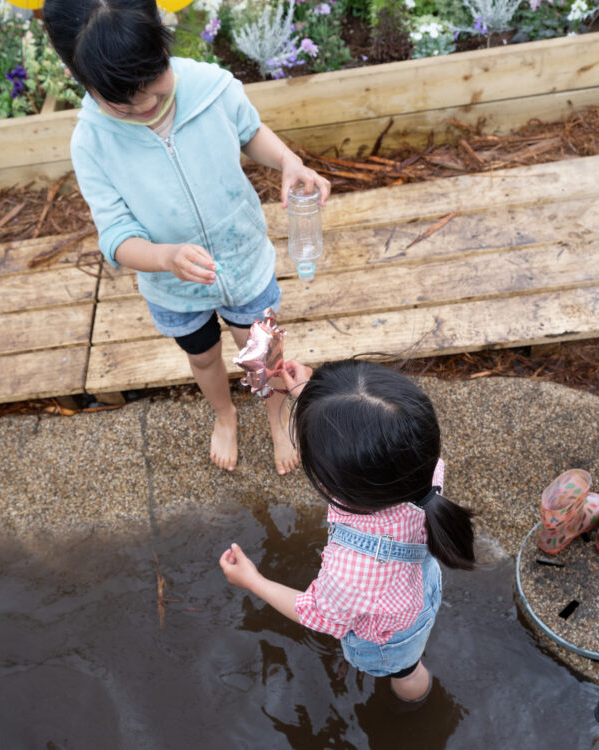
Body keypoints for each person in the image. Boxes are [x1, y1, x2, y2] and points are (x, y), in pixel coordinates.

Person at [42, 0, 330, 474]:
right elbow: (115, 237)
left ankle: (278, 418)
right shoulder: (91, 142)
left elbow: (249, 131)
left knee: (266, 353)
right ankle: (225, 414)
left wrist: (288, 162)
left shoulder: (209, 87)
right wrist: (164, 256)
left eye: (154, 85)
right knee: (203, 359)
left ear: (161, 38)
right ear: (81, 77)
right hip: (174, 287)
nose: (146, 105)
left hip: (243, 260)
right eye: (123, 101)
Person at [220, 359, 475, 702]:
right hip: (421, 588)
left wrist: (253, 581)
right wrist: (309, 397)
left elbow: (314, 611)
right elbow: (365, 434)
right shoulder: (420, 469)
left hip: (390, 637)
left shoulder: (348, 573)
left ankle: (418, 705)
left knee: (407, 672)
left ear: (333, 482)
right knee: (411, 654)